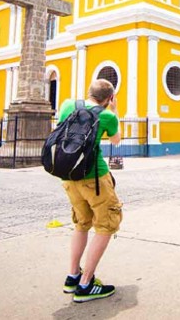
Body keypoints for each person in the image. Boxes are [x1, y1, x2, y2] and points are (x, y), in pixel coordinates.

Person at [59, 78, 122, 303]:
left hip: (68, 176)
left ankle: (73, 275)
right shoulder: (106, 115)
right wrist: (114, 111)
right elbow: (116, 140)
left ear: (88, 92)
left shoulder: (68, 105)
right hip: (94, 176)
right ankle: (86, 284)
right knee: (106, 225)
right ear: (109, 98)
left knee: (81, 224)